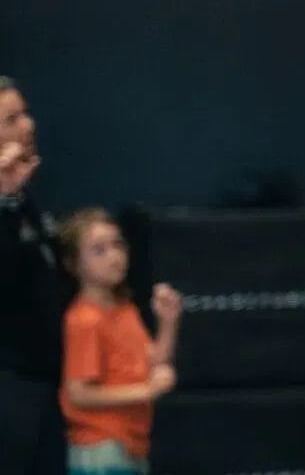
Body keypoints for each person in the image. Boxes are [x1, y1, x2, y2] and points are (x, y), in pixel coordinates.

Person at [57, 209, 182, 475]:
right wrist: (146, 391)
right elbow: (78, 393)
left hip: (132, 443)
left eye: (118, 245)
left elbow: (153, 362)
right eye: (99, 250)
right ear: (73, 264)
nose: (114, 256)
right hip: (101, 447)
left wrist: (168, 322)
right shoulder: (84, 320)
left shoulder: (125, 309)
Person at [0, 80, 69, 475]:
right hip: (10, 389)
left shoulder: (23, 198)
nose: (28, 125)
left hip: (46, 384)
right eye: (12, 119)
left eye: (25, 113)